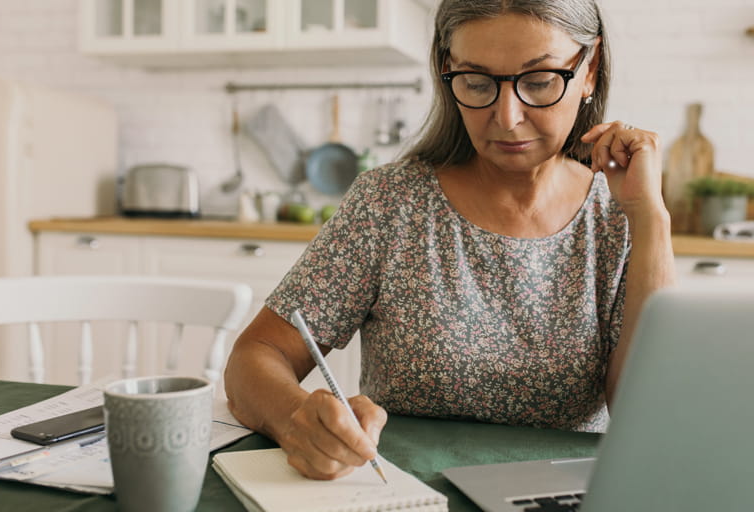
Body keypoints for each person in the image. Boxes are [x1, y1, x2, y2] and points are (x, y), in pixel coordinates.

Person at [224, 0, 675, 481]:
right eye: (477, 83)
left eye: (540, 81)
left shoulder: (617, 216)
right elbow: (255, 358)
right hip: (404, 493)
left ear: (590, 69)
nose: (507, 117)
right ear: (447, 71)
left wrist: (650, 218)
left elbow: (650, 419)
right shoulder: (389, 202)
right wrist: (297, 417)